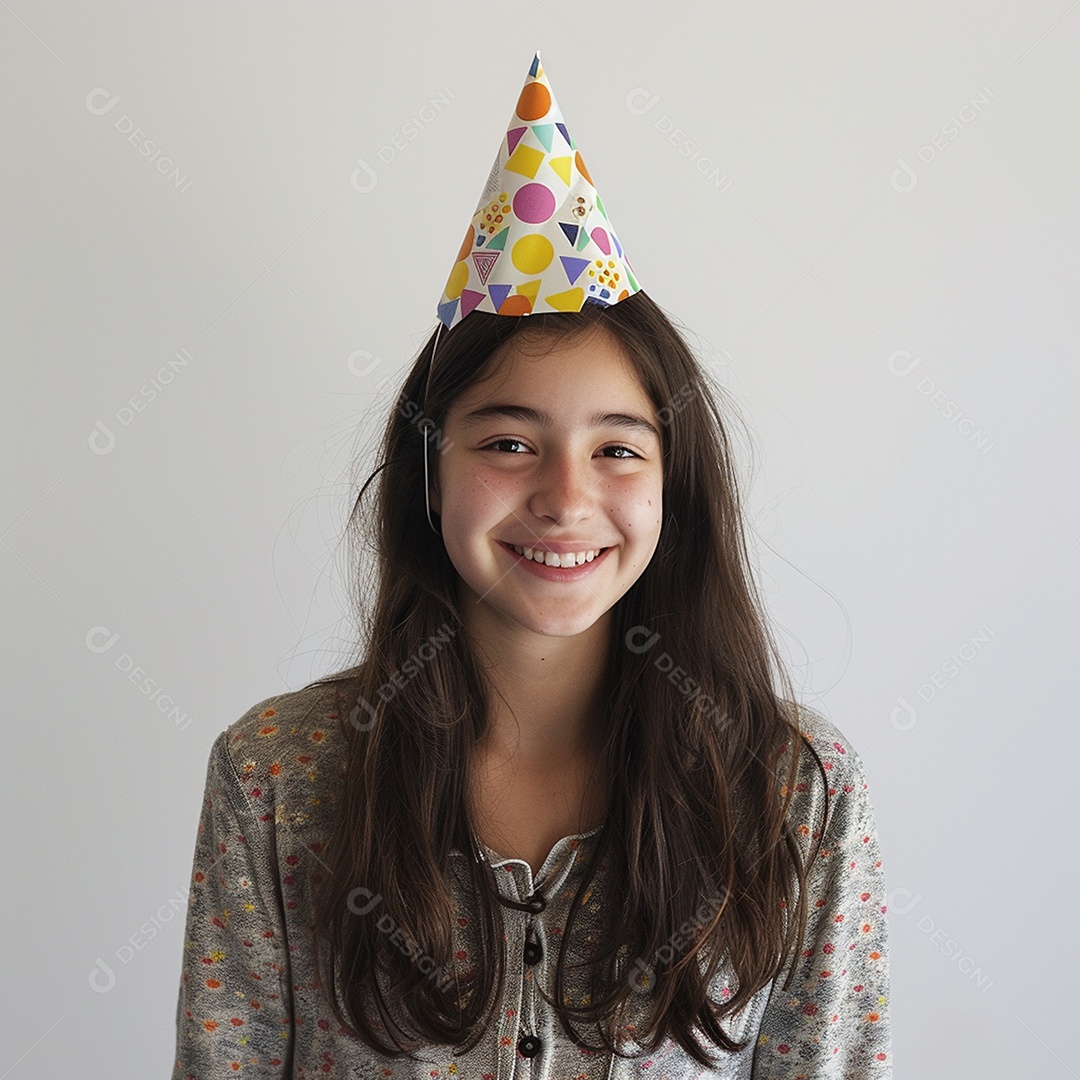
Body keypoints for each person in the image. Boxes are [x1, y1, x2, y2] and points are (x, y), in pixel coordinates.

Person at [170, 52, 891, 1078]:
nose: (564, 497)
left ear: (674, 486)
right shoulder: (279, 777)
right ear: (431, 467)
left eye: (617, 450)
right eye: (509, 443)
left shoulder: (793, 792)